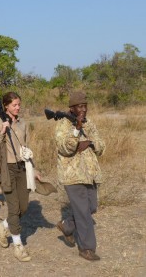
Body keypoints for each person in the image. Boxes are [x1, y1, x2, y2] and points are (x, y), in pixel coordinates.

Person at [55, 91, 105, 261]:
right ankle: (86, 248)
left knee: (91, 208)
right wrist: (76, 130)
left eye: (85, 106)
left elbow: (101, 146)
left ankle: (67, 226)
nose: (83, 109)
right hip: (72, 176)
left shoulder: (89, 124)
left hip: (90, 175)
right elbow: (65, 147)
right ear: (72, 108)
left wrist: (90, 142)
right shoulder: (63, 124)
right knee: (83, 212)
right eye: (79, 106)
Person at [0, 92, 34, 262]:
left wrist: (33, 169)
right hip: (7, 169)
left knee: (23, 207)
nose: (18, 107)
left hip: (22, 167)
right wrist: (2, 131)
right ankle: (18, 246)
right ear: (6, 106)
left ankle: (3, 226)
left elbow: (26, 146)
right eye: (14, 105)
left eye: (19, 104)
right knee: (14, 208)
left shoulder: (22, 123)